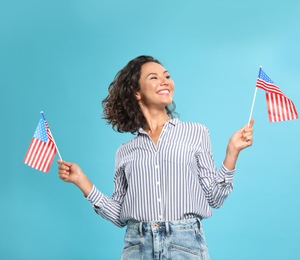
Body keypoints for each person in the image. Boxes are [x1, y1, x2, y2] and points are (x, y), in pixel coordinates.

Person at [58, 55, 254, 259]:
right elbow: (118, 216)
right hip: (137, 246)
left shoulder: (196, 133)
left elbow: (214, 197)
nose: (164, 81)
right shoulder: (125, 151)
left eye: (167, 76)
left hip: (185, 244)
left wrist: (232, 152)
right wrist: (81, 181)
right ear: (136, 93)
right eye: (154, 77)